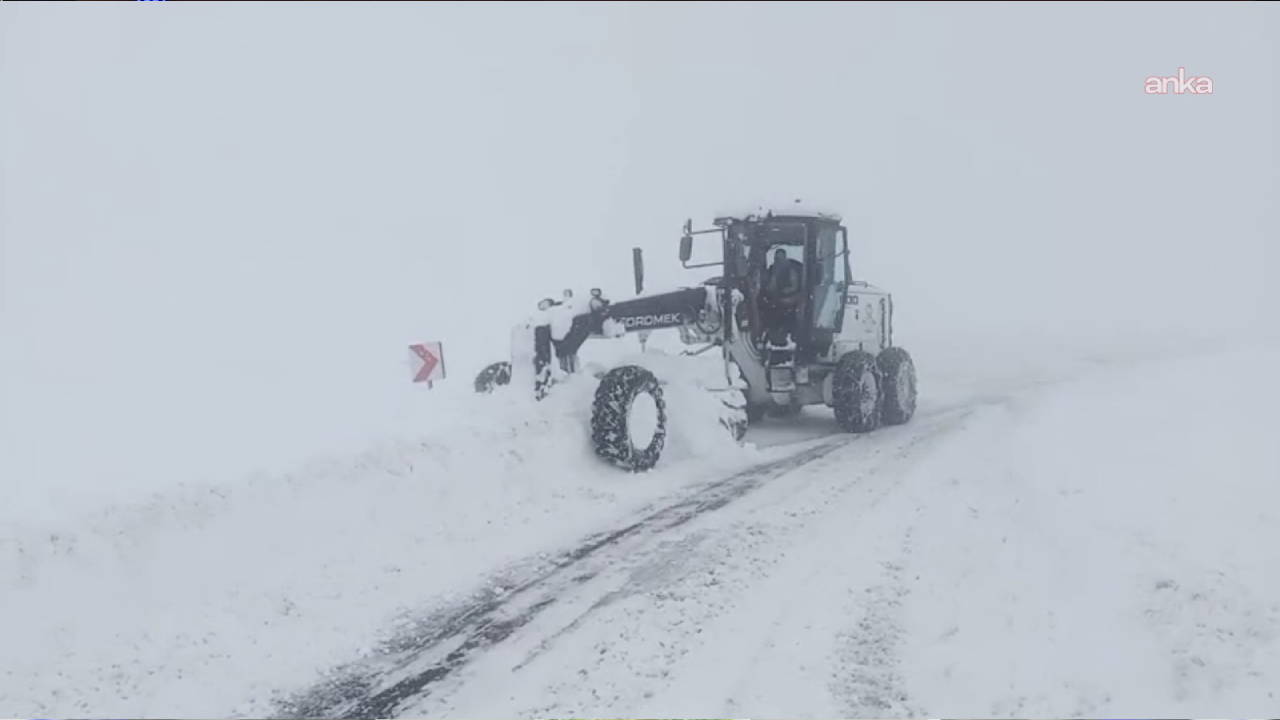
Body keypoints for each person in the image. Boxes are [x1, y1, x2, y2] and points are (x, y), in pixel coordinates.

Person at [761, 247, 803, 346]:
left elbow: (794, 285)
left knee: (782, 308)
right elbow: (769, 285)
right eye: (776, 258)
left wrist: (784, 292)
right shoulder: (772, 269)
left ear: (785, 258)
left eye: (780, 258)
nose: (778, 261)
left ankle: (787, 335)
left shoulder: (791, 269)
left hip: (790, 296)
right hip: (774, 297)